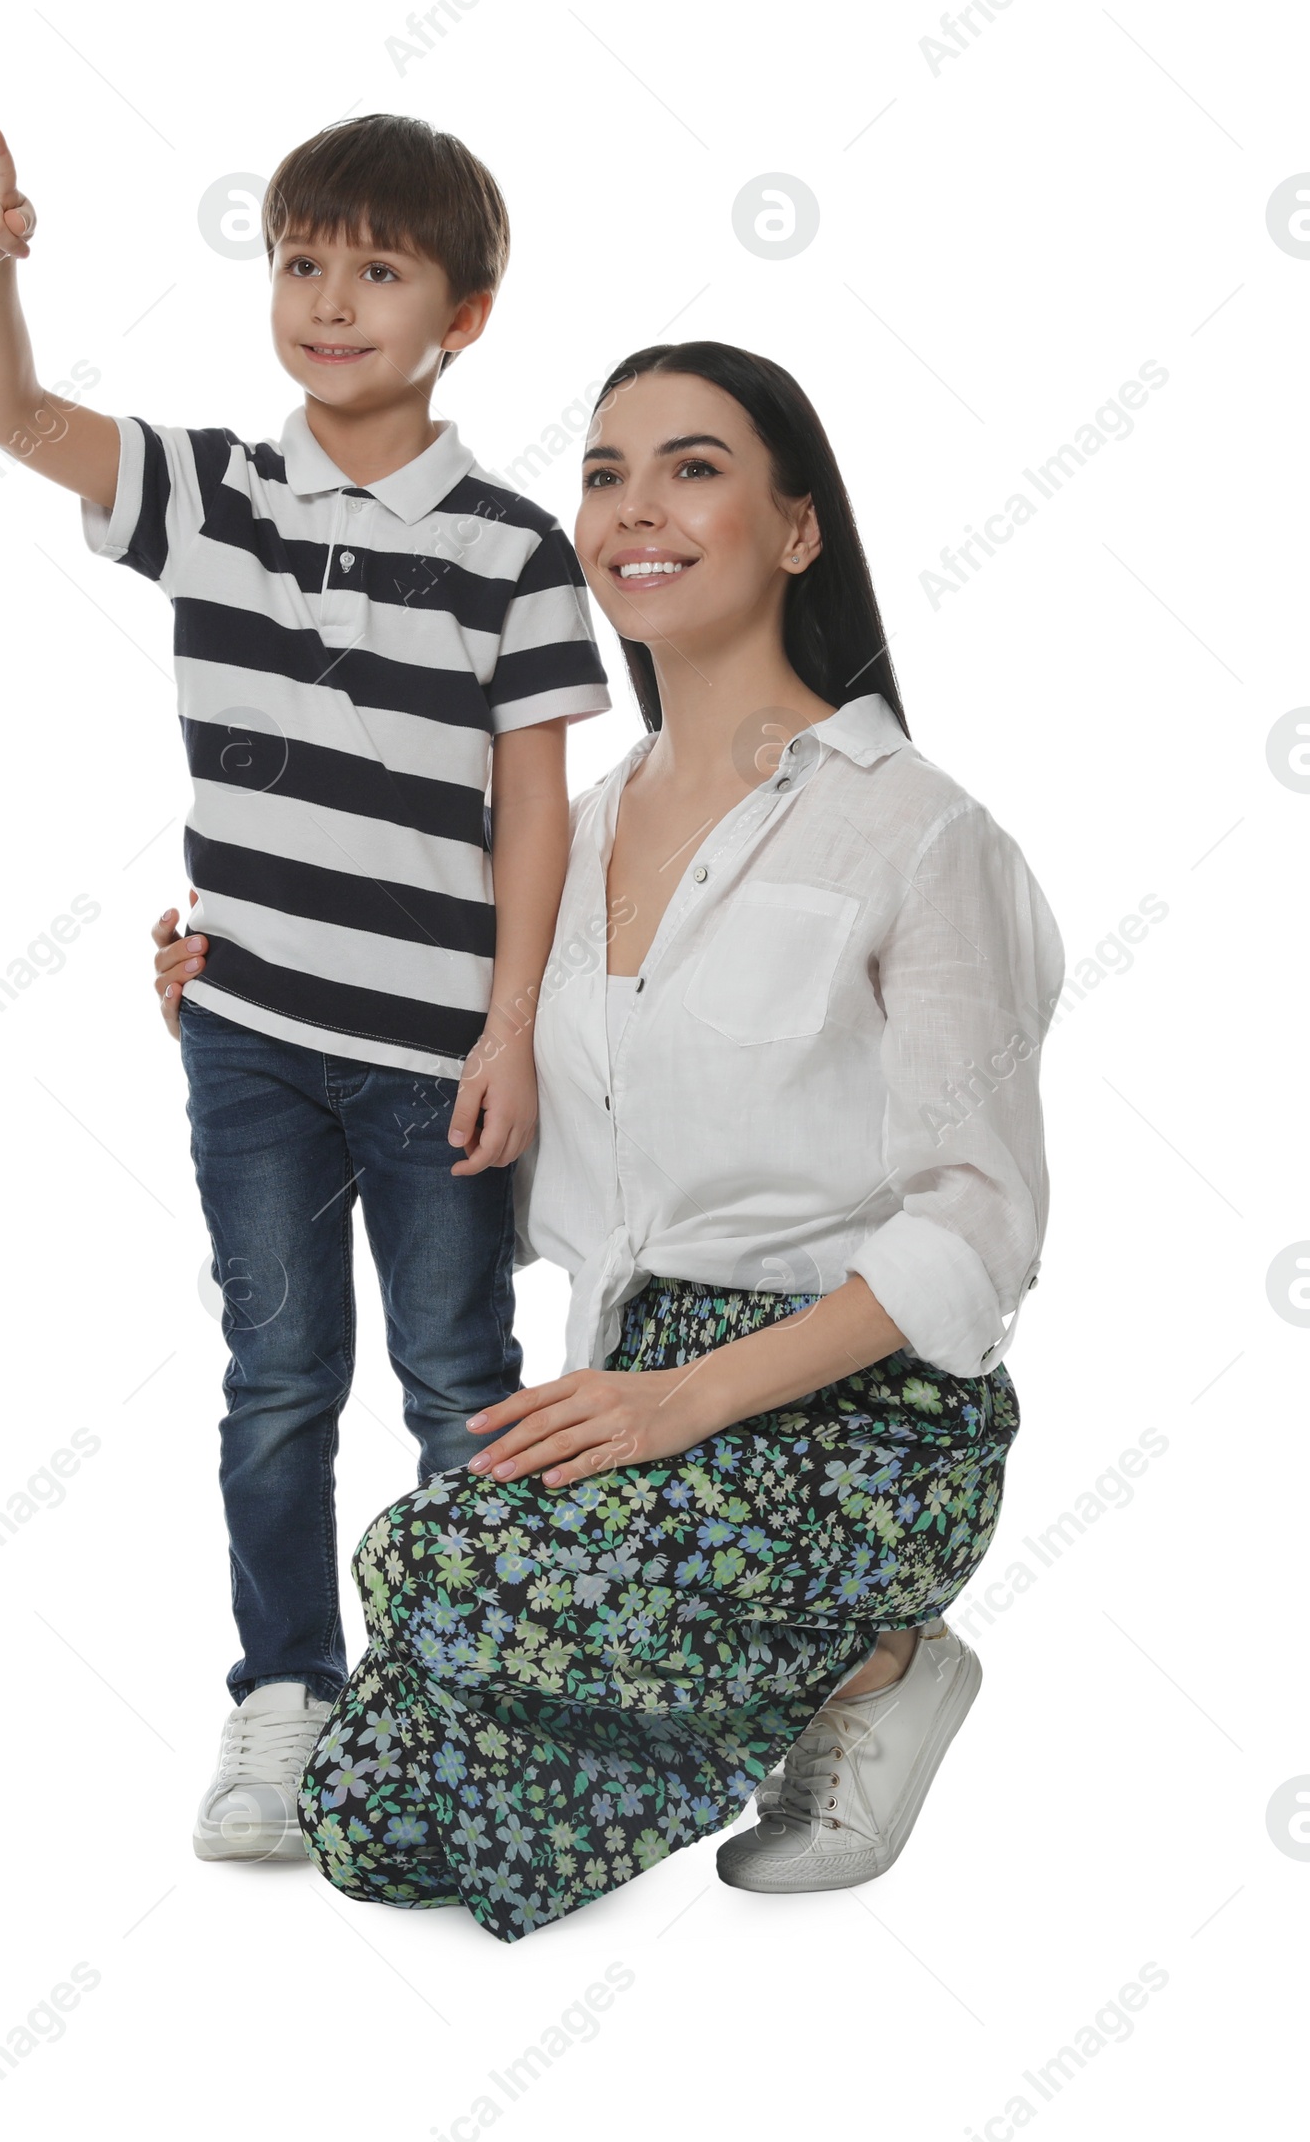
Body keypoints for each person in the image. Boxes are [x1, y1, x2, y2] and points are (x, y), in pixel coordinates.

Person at [284, 340, 1066, 1942]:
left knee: (451, 1578)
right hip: (630, 1374)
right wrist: (227, 995)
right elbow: (470, 1075)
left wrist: (682, 1402)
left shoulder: (917, 831)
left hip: (864, 1411)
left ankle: (884, 1661)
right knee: (365, 1825)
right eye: (604, 470)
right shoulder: (562, 834)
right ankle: (754, 1677)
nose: (635, 509)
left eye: (694, 467)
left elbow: (981, 1220)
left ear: (797, 530)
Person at [0, 112, 611, 1863]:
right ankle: (285, 1699)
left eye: (377, 270)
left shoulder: (513, 550)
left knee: (464, 1387)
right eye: (302, 262)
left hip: (433, 1057)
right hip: (247, 1038)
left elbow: (532, 816)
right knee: (278, 1376)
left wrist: (511, 1032)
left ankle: (476, 1702)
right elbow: (9, 418)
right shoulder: (214, 492)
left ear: (464, 309)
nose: (330, 301)